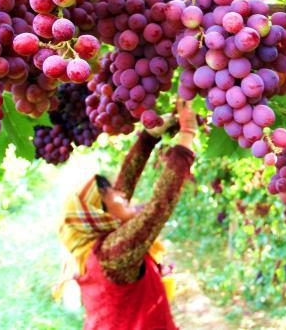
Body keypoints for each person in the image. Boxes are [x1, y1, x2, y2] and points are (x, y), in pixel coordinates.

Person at [57, 104, 197, 330]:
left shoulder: (98, 244)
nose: (122, 194)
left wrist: (149, 136)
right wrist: (187, 134)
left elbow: (126, 181)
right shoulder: (112, 255)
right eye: (112, 193)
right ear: (100, 214)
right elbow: (159, 207)